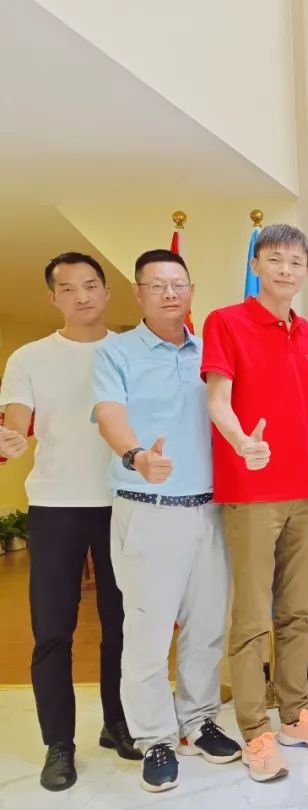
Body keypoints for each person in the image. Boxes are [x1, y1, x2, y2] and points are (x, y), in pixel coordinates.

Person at [91, 249, 239, 792]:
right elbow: (110, 414)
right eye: (156, 285)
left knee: (207, 626)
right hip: (147, 508)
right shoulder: (116, 351)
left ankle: (198, 721)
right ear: (138, 293)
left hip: (211, 509)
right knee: (148, 632)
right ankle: (154, 736)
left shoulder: (210, 351)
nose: (169, 293)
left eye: (178, 284)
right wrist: (136, 456)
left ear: (192, 290)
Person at [202, 224, 308, 783]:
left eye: (296, 261)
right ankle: (254, 729)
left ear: (306, 269)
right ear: (256, 265)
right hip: (251, 492)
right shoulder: (225, 321)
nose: (286, 269)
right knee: (252, 617)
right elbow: (217, 399)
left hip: (305, 490)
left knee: (298, 612)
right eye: (275, 259)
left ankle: (294, 712)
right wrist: (243, 443)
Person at [0, 252, 138, 792]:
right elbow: (17, 418)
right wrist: (11, 436)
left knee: (120, 623)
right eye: (68, 288)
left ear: (107, 292)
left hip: (122, 501)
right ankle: (58, 743)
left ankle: (117, 722)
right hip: (55, 505)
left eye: (90, 285)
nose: (81, 296)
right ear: (53, 298)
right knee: (53, 630)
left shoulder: (131, 350)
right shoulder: (30, 357)